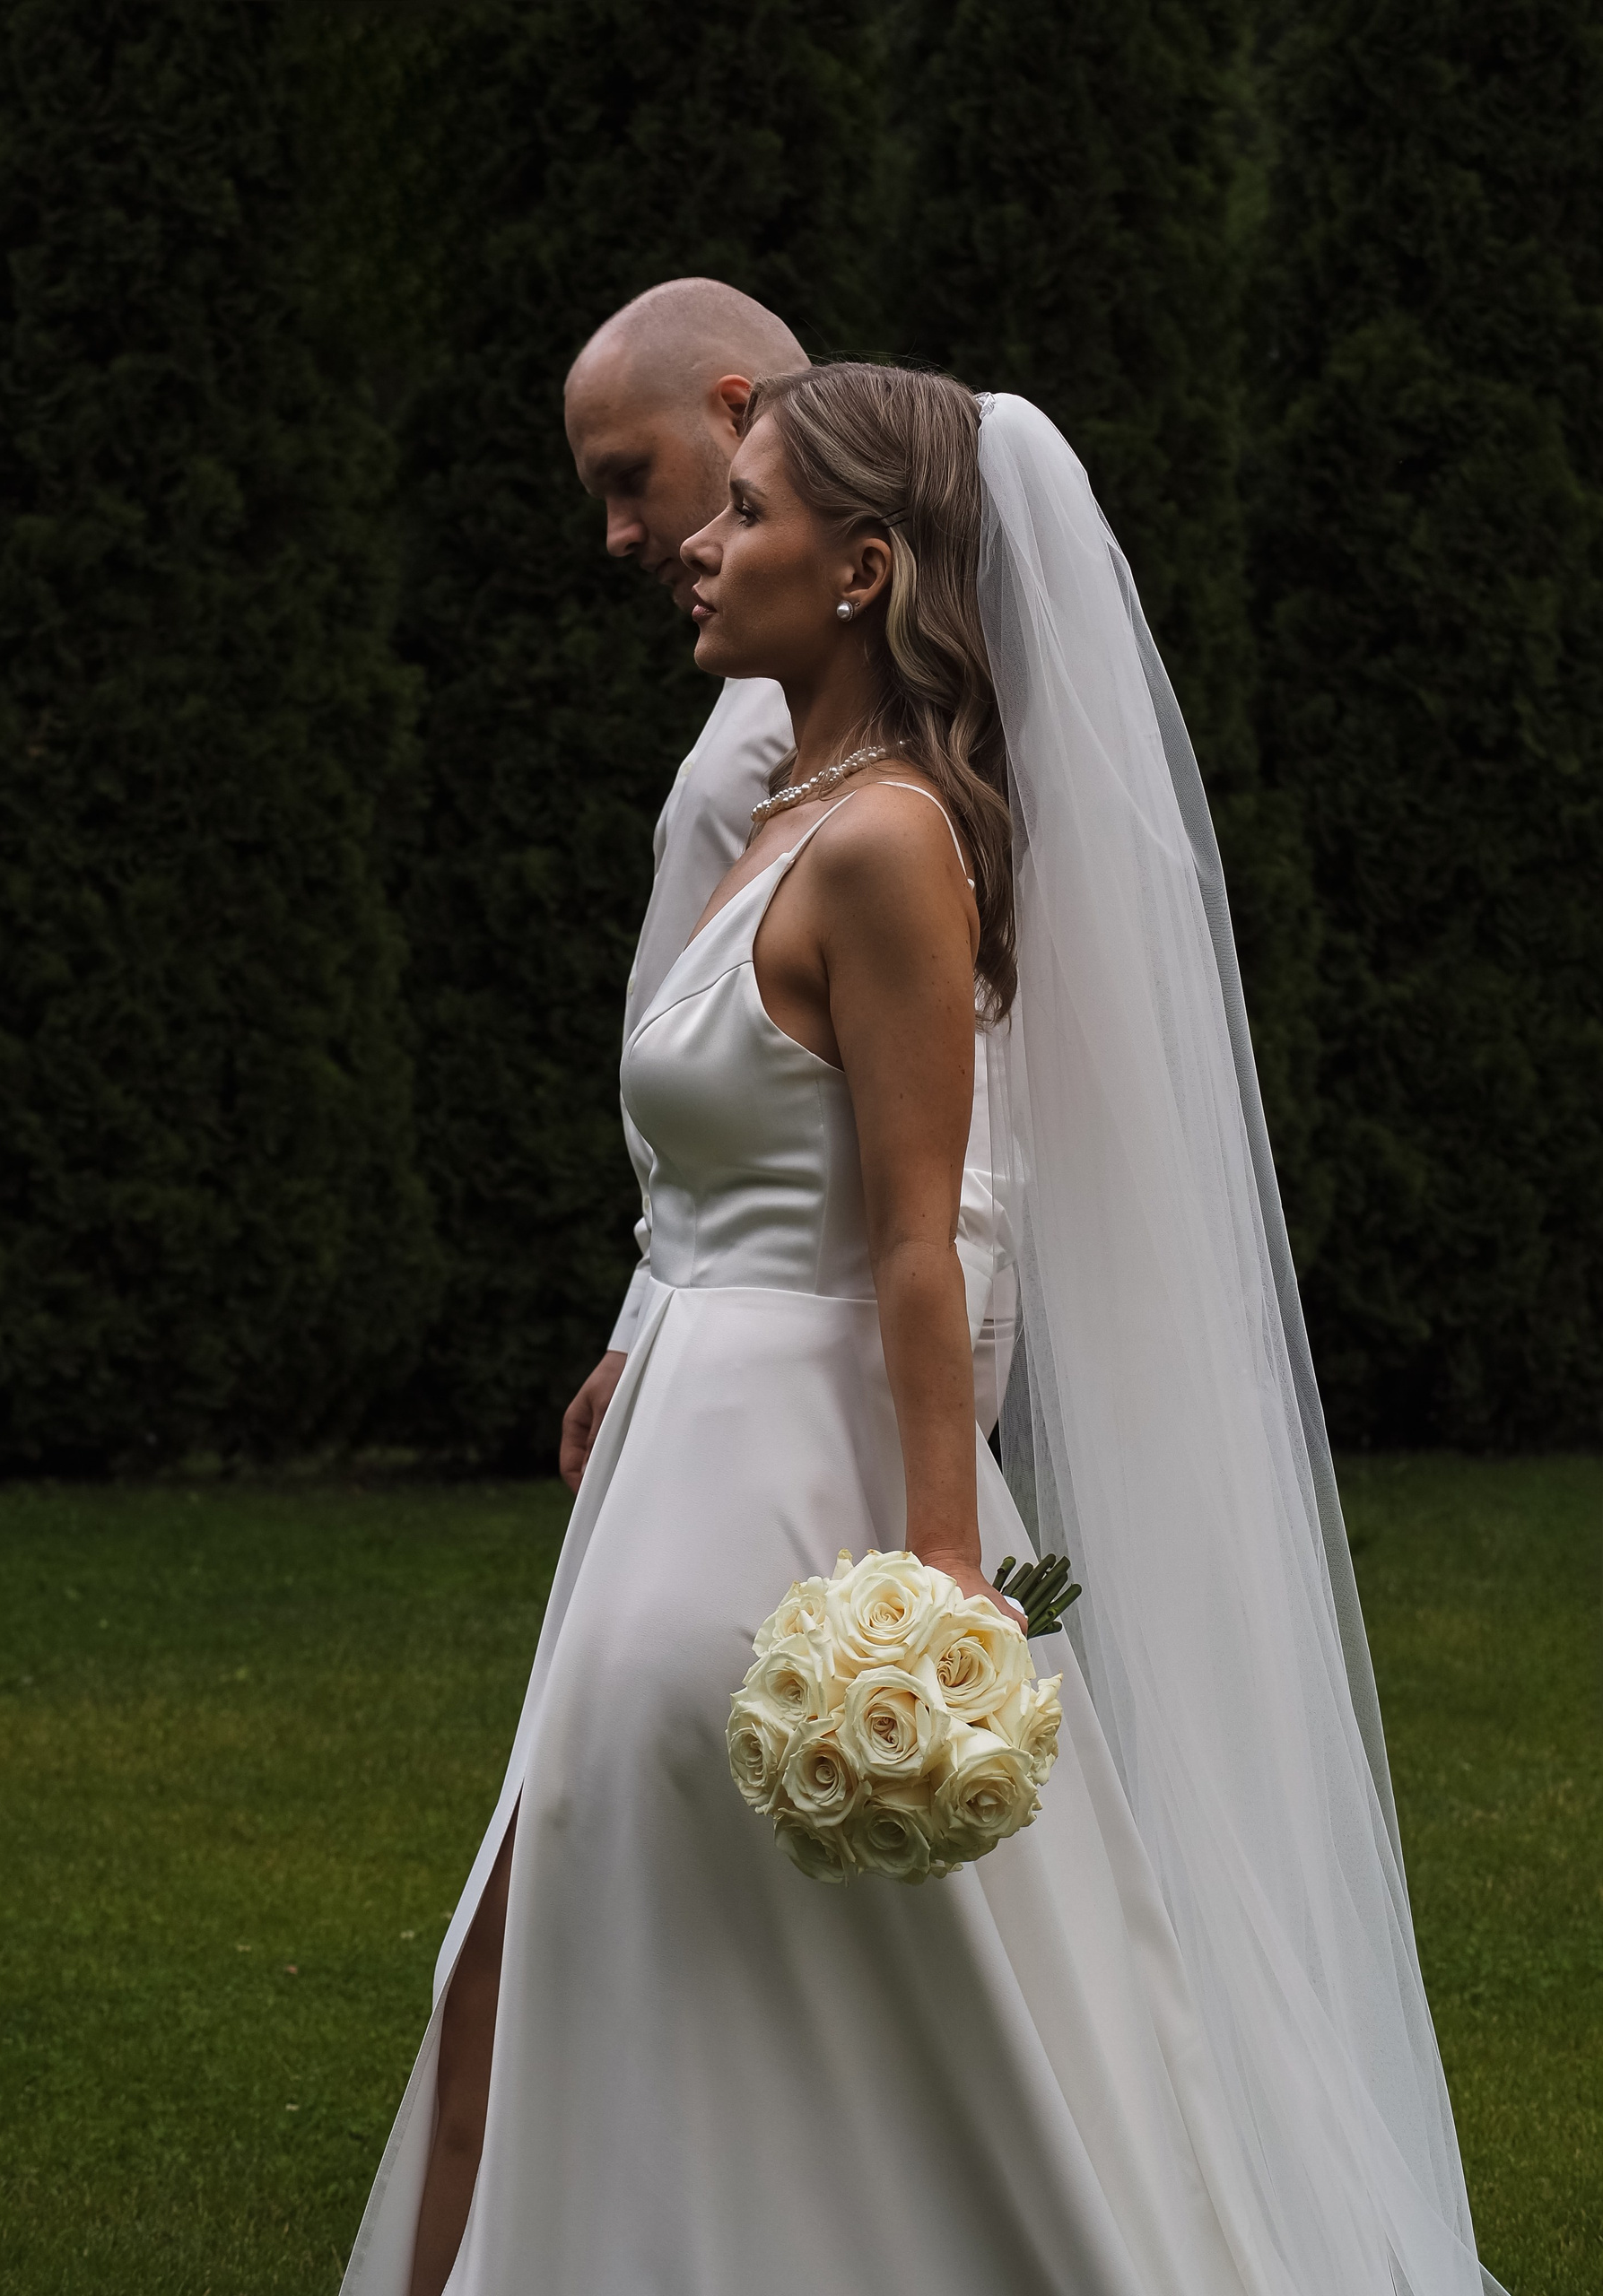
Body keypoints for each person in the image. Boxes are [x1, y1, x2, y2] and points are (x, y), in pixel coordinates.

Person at [343, 366, 1505, 2296]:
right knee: (605, 1923)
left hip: (778, 1477)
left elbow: (914, 1234)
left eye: (749, 513)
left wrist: (940, 1580)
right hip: (680, 1447)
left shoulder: (885, 842)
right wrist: (646, 1335)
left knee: (741, 1927)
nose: (698, 546)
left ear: (864, 569)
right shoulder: (779, 808)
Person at [559, 281, 1010, 1496]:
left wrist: (932, 1522)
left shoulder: (853, 804)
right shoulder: (789, 763)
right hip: (721, 1360)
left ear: (734, 409)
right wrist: (653, 1315)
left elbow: (935, 1175)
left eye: (631, 477)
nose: (634, 537)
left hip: (802, 1401)